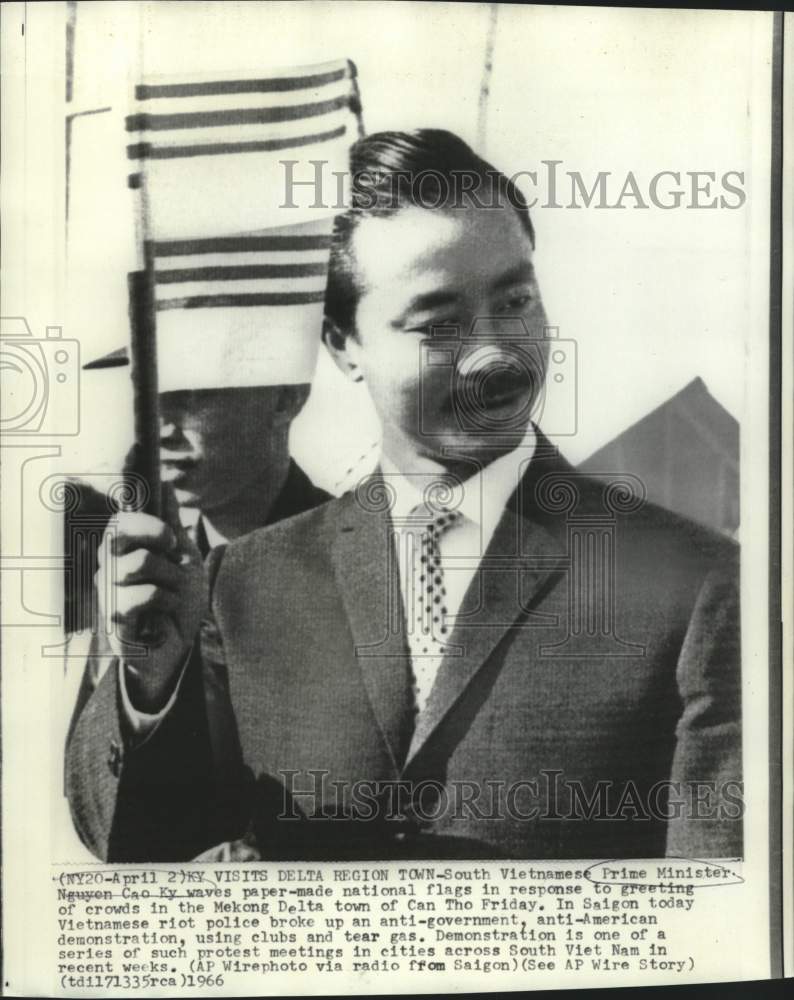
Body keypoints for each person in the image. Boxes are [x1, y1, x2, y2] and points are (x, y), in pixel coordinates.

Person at [66, 129, 742, 862]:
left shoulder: (696, 585)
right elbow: (140, 848)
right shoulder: (246, 585)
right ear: (342, 345)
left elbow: (708, 922)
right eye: (439, 324)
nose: (494, 352)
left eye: (516, 300)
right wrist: (149, 683)